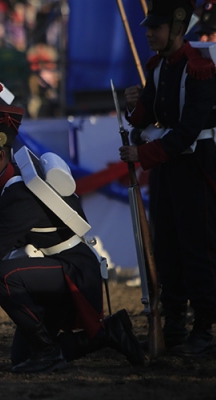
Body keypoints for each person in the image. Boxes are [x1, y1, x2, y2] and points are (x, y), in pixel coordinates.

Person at [0, 97, 145, 373]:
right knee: (20, 356)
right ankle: (109, 333)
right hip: (53, 269)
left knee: (2, 275)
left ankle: (49, 352)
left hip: (73, 270)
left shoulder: (19, 195)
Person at [121, 0, 216, 356]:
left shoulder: (200, 68)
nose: (148, 33)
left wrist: (142, 154)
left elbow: (188, 130)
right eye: (148, 27)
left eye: (155, 28)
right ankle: (174, 324)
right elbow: (145, 116)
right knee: (168, 249)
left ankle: (204, 329)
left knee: (199, 249)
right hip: (167, 170)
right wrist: (133, 106)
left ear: (176, 29)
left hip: (197, 169)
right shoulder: (158, 65)